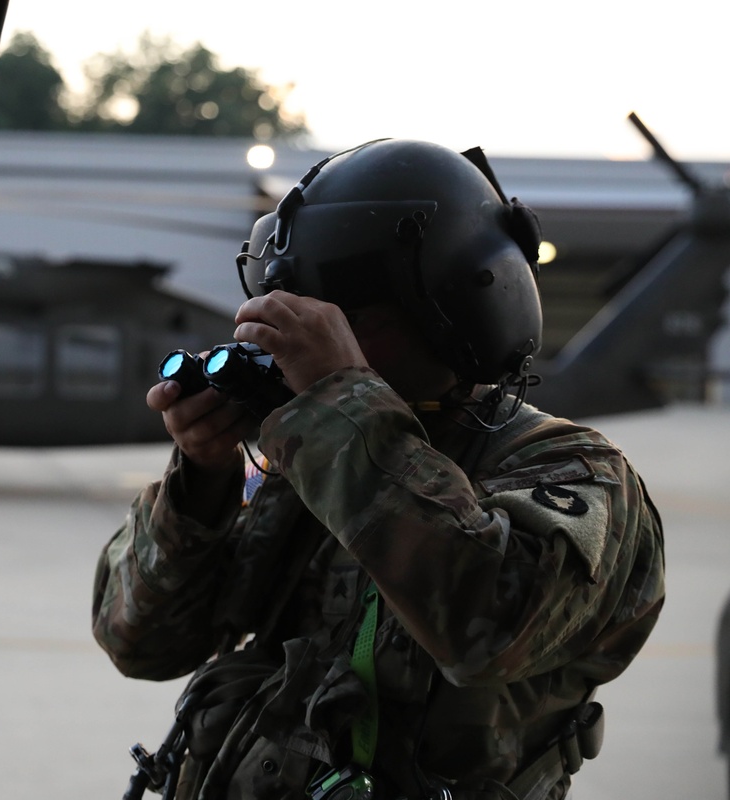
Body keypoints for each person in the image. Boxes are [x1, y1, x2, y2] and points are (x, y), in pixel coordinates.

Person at [92, 139, 665, 800]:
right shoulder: (311, 456)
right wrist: (205, 478)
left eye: (346, 318)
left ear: (457, 310)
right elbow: (140, 641)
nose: (303, 340)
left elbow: (485, 629)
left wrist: (340, 398)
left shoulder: (577, 471)